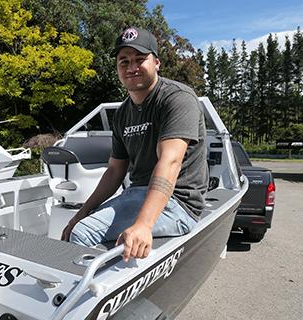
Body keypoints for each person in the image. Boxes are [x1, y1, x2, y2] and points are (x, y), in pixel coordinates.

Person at [61, 27, 208, 262]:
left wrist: (143, 225)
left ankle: (92, 298)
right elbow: (114, 171)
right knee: (77, 225)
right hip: (136, 194)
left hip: (178, 203)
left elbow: (170, 161)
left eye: (140, 59)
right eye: (124, 61)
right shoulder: (122, 114)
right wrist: (81, 212)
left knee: (82, 234)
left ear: (157, 62)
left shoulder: (177, 98)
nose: (131, 67)